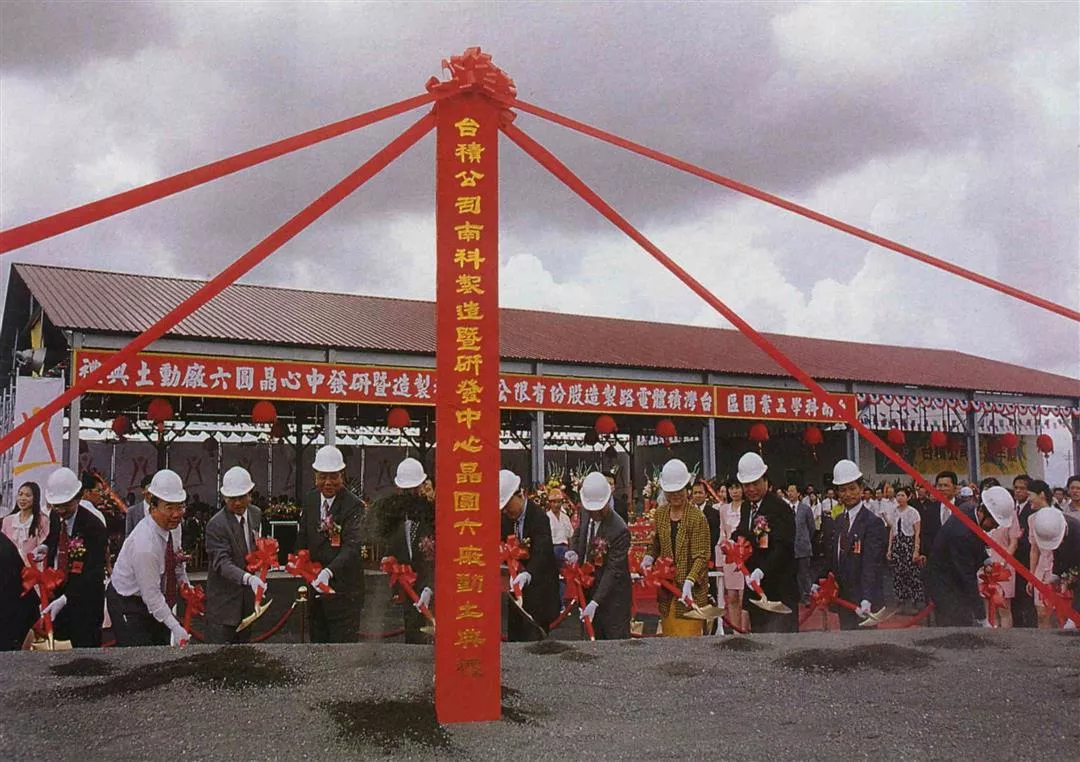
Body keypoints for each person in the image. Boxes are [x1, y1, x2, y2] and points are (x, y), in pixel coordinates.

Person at [107, 469, 191, 646]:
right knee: (139, 653)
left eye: (180, 507)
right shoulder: (145, 543)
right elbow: (151, 595)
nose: (176, 514)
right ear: (153, 507)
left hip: (156, 596)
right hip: (128, 600)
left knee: (159, 647)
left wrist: (186, 586)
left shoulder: (174, 527)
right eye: (169, 508)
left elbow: (176, 559)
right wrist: (176, 627)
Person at [297, 445, 365, 643]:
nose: (328, 482)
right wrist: (298, 561)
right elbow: (303, 536)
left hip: (344, 593)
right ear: (315, 476)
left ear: (342, 475)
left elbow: (352, 547)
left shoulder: (354, 506)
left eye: (333, 476)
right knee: (317, 647)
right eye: (322, 476)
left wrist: (328, 572)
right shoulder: (310, 500)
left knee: (343, 652)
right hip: (315, 592)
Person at [38, 467, 108, 648]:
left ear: (78, 497)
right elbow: (54, 536)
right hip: (58, 595)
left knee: (84, 654)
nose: (61, 510)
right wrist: (45, 546)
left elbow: (93, 573)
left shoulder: (94, 527)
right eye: (57, 505)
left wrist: (66, 598)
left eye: (66, 505)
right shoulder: (55, 515)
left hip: (85, 603)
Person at [925, 485, 1014, 627]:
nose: (995, 527)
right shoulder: (961, 534)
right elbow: (967, 577)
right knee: (957, 626)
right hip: (945, 583)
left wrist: (985, 559)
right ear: (983, 512)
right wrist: (982, 617)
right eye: (994, 522)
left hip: (954, 576)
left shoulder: (968, 509)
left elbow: (977, 537)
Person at [639, 460, 710, 637]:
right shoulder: (661, 513)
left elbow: (701, 556)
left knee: (689, 640)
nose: (675, 495)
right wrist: (649, 557)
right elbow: (657, 542)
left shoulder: (697, 517)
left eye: (679, 490)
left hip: (690, 594)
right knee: (669, 639)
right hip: (667, 592)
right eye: (671, 492)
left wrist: (690, 580)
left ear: (687, 489)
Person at [731, 452, 797, 633]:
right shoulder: (746, 507)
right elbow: (744, 532)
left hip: (779, 588)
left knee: (782, 639)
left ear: (765, 481)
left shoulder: (780, 507)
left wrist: (762, 570)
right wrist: (732, 540)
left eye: (755, 483)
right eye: (747, 485)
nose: (751, 489)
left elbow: (784, 547)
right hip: (755, 588)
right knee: (759, 638)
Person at [818, 460, 887, 630]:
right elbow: (833, 557)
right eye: (843, 490)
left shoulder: (873, 523)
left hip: (863, 602)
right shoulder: (839, 520)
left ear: (861, 489)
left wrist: (867, 598)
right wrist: (817, 580)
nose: (848, 494)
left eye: (852, 488)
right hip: (843, 598)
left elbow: (871, 563)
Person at [203, 466, 266, 644]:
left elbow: (255, 547)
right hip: (223, 607)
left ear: (250, 494)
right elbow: (222, 563)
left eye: (242, 497)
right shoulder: (216, 525)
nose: (237, 503)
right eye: (232, 498)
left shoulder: (255, 514)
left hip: (247, 604)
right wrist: (248, 579)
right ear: (224, 497)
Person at [376, 457, 435, 644]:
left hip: (433, 592)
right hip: (409, 593)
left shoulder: (433, 514)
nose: (409, 494)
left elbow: (443, 558)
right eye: (405, 490)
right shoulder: (397, 515)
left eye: (413, 489)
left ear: (421, 487)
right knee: (413, 641)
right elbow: (393, 547)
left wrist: (430, 587)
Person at [567, 471, 632, 640]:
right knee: (589, 642)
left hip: (612, 599)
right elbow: (579, 532)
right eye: (590, 509)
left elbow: (613, 570)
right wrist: (574, 550)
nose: (593, 513)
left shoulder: (619, 529)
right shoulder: (585, 512)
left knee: (613, 643)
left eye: (598, 509)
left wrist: (595, 602)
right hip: (587, 589)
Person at [499, 470, 560, 641]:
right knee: (515, 638)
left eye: (508, 505)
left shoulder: (539, 517)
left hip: (538, 588)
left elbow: (543, 552)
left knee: (535, 639)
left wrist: (528, 573)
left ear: (520, 494)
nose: (506, 511)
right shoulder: (506, 519)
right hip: (514, 590)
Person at [1029, 507, 1079, 629]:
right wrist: (1056, 575)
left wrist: (1074, 615)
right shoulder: (1051, 526)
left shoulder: (1077, 533)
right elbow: (1057, 553)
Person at [979, 477, 1018, 628]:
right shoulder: (980, 514)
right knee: (988, 608)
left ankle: (1006, 639)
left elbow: (1013, 542)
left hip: (1003, 568)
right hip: (983, 565)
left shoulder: (1010, 514)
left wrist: (1003, 563)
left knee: (1003, 608)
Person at [1025, 480, 1058, 629]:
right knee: (1041, 613)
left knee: (1055, 613)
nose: (1028, 499)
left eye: (1030, 495)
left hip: (1056, 569)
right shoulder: (1031, 519)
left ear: (1042, 495)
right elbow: (1034, 550)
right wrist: (1031, 576)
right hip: (1040, 569)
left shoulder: (1059, 516)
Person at [886, 486, 923, 614]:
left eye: (902, 495)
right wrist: (889, 549)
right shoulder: (894, 511)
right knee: (898, 573)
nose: (900, 498)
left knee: (911, 573)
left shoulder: (913, 512)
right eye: (898, 495)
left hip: (909, 544)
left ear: (908, 497)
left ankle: (915, 602)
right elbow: (892, 531)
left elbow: (917, 532)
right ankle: (901, 601)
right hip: (897, 544)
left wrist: (916, 550)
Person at [1010, 473, 1038, 628]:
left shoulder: (1032, 510)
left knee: (1028, 600)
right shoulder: (1011, 508)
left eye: (1022, 488)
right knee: (1014, 600)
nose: (1018, 491)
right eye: (1016, 488)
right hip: (1013, 561)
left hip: (1027, 560)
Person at [719, 480, 746, 629]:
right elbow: (722, 533)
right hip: (729, 556)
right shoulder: (724, 509)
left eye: (737, 488)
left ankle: (745, 630)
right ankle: (736, 630)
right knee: (732, 597)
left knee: (743, 598)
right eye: (732, 488)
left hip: (745, 555)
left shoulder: (748, 507)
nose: (735, 491)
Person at [2, 481, 49, 562]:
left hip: (31, 566)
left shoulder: (42, 520)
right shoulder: (7, 520)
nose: (22, 498)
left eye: (27, 495)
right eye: (20, 494)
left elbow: (44, 547)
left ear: (35, 498)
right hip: (9, 566)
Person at [794, 489, 816, 606]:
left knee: (804, 572)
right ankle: (798, 595)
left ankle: (807, 596)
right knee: (794, 573)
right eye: (789, 491)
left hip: (803, 546)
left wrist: (805, 538)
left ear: (798, 493)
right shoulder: (786, 508)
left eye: (793, 491)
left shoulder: (805, 509)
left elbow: (812, 527)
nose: (790, 493)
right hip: (790, 547)